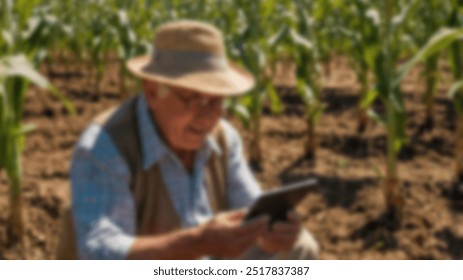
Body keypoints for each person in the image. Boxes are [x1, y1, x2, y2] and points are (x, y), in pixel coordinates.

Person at [60, 20, 319, 260]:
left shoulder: (224, 138)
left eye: (217, 99)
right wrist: (197, 242)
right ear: (152, 92)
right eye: (193, 98)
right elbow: (99, 251)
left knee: (300, 247)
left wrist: (269, 232)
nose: (207, 115)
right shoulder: (105, 147)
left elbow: (251, 208)